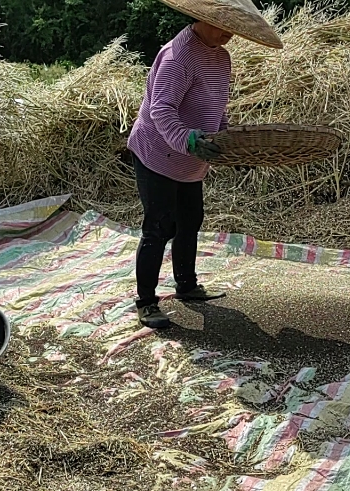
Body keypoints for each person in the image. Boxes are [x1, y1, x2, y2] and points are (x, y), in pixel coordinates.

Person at [126, 0, 282, 329]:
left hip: (191, 158)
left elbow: (214, 108)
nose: (228, 34)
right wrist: (188, 140)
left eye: (233, 29)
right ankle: (147, 302)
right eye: (222, 25)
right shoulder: (178, 56)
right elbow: (162, 110)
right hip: (157, 152)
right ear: (202, 17)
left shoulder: (221, 57)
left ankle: (186, 285)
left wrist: (228, 140)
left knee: (190, 220)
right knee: (159, 226)